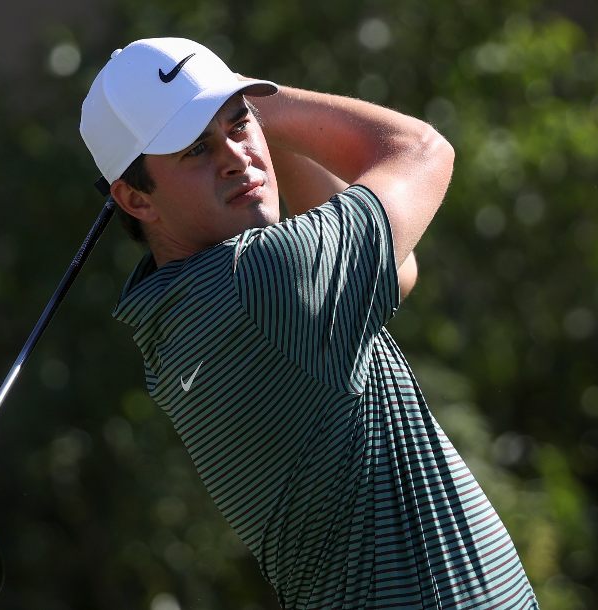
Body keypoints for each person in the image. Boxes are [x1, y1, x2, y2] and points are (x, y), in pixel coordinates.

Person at [79, 37, 538, 609]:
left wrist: (230, 109)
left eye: (238, 124)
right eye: (195, 149)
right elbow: (422, 150)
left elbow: (398, 269)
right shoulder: (262, 281)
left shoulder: (176, 307)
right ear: (135, 199)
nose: (236, 155)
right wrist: (259, 102)